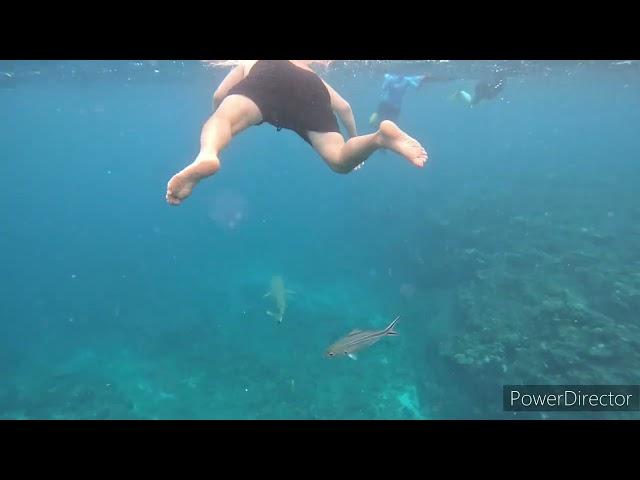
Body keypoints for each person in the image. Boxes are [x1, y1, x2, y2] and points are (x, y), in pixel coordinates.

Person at [166, 60, 428, 206]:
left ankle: (207, 155)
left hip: (267, 74)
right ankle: (379, 138)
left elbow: (218, 95)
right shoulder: (309, 71)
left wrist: (221, 115)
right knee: (339, 159)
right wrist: (353, 138)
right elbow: (345, 107)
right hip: (310, 90)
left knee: (221, 120)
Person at [369, 72, 456, 127]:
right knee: (381, 124)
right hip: (389, 105)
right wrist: (422, 80)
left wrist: (422, 79)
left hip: (390, 105)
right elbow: (417, 87)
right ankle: (380, 134)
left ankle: (381, 135)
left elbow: (384, 88)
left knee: (386, 125)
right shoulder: (400, 79)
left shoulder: (396, 78)